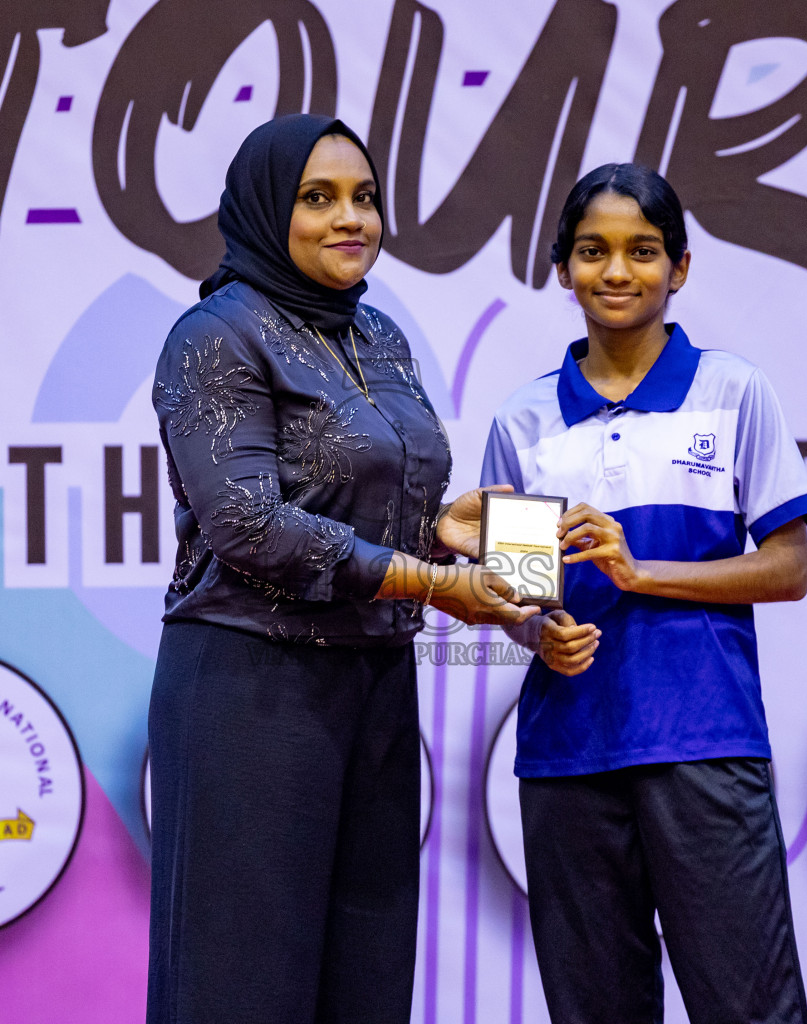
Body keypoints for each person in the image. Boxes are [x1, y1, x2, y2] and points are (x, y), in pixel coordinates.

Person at [148, 114, 535, 1024]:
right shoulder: (216, 335)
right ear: (263, 210)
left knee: (365, 975)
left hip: (372, 682)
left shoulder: (379, 338)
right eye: (317, 199)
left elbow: (361, 503)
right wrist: (435, 585)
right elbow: (248, 524)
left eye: (363, 197)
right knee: (241, 985)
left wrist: (449, 531)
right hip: (251, 688)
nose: (349, 218)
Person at [481, 163, 807, 1024]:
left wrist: (642, 573)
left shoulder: (734, 391)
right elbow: (521, 600)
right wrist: (541, 629)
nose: (618, 271)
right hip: (567, 757)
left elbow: (788, 568)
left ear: (681, 267)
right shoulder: (522, 422)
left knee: (750, 1009)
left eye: (643, 250)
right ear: (563, 269)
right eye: (593, 252)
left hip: (705, 740)